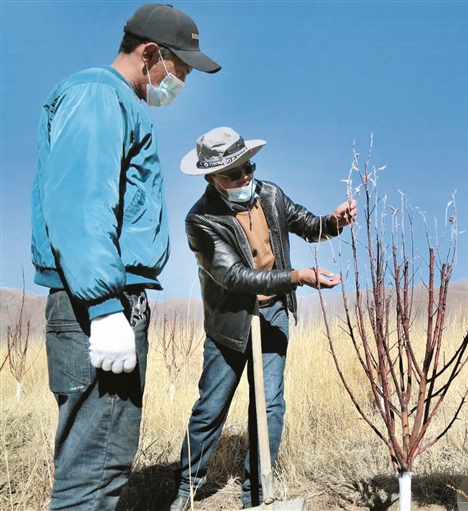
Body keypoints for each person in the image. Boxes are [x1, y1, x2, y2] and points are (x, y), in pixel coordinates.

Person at [30, 4, 220, 509]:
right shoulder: (98, 95)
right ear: (150, 53)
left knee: (102, 463)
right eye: (180, 69)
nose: (181, 82)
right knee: (93, 472)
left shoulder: (112, 101)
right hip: (98, 304)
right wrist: (103, 307)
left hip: (106, 299)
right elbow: (81, 202)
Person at [167, 126, 356, 510]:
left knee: (269, 405)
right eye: (232, 174)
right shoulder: (200, 221)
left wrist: (334, 222)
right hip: (230, 324)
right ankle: (186, 490)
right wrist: (296, 277)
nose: (244, 178)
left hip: (273, 314)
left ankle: (257, 494)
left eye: (247, 167)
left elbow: (308, 225)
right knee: (211, 407)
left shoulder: (270, 194)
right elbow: (233, 277)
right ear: (212, 178)